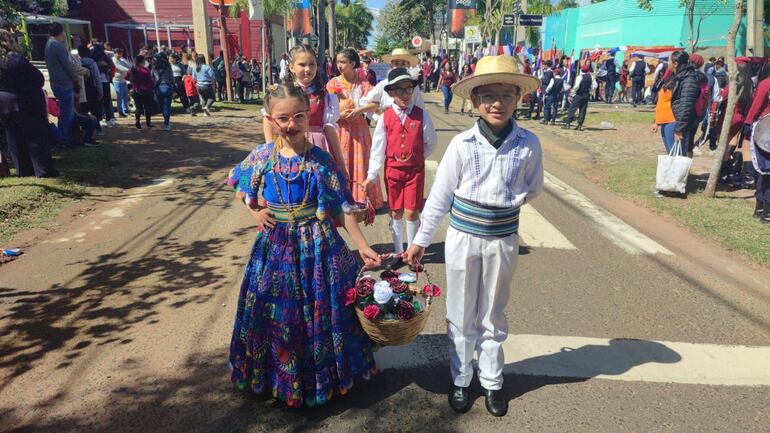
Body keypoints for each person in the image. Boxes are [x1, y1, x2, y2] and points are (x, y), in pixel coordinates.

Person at [404, 55, 543, 418]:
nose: (497, 103)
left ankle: (493, 380)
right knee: (461, 311)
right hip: (463, 237)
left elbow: (533, 188)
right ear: (475, 101)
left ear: (519, 99)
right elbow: (440, 196)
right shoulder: (463, 145)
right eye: (488, 95)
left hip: (502, 238)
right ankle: (462, 378)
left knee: (493, 311)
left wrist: (500, 209)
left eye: (506, 95)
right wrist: (420, 240)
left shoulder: (529, 144)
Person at [227, 82, 381, 408]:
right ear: (270, 119)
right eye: (282, 118)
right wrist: (255, 209)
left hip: (319, 250)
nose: (292, 125)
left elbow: (340, 208)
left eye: (299, 116)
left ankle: (323, 378)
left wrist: (362, 245)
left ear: (308, 114)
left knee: (323, 315)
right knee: (279, 316)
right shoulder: (262, 157)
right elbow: (241, 187)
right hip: (275, 249)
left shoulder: (322, 161)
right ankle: (276, 378)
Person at [363, 68, 436, 268]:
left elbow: (431, 142)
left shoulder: (422, 115)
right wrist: (371, 175)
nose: (404, 94)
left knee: (412, 213)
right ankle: (398, 252)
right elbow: (378, 149)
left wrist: (417, 158)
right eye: (399, 90)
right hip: (392, 172)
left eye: (408, 89)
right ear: (391, 93)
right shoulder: (385, 117)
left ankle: (413, 254)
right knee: (395, 212)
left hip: (414, 172)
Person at [326, 48, 383, 207]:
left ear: (352, 63)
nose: (339, 65)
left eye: (343, 62)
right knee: (341, 161)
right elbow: (327, 108)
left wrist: (359, 111)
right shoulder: (332, 84)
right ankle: (341, 200)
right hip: (340, 130)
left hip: (359, 129)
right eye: (338, 62)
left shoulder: (363, 83)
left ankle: (363, 198)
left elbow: (376, 102)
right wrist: (341, 115)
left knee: (361, 162)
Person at [0, 30, 59, 177]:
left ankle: (23, 171)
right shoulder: (16, 59)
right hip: (25, 102)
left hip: (4, 104)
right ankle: (43, 170)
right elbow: (38, 78)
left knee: (14, 138)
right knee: (36, 137)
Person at [359, 48, 425, 123]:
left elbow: (421, 109)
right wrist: (378, 118)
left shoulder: (414, 86)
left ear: (408, 65)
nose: (400, 67)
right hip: (387, 130)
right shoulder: (383, 84)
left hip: (409, 128)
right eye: (396, 64)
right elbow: (363, 103)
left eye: (403, 64)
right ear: (391, 65)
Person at [44, 23, 78, 148]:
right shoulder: (57, 46)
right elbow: (67, 65)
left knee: (64, 111)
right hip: (64, 82)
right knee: (66, 113)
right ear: (61, 32)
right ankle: (63, 139)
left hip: (55, 81)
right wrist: (74, 79)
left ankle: (62, 137)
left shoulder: (48, 44)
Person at [670, 51, 705, 157]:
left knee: (681, 153)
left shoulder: (689, 79)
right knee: (681, 151)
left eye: (669, 61)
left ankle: (682, 174)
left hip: (685, 123)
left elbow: (686, 105)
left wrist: (679, 129)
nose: (668, 64)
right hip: (683, 121)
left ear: (675, 63)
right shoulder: (682, 76)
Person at [563, 64, 597, 131]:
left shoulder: (580, 77)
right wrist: (590, 89)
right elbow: (595, 86)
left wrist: (572, 93)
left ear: (581, 70)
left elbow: (576, 86)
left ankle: (568, 124)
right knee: (582, 110)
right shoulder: (591, 77)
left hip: (579, 94)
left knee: (572, 108)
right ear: (588, 70)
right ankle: (580, 125)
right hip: (586, 95)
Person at [652, 66, 677, 154]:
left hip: (671, 120)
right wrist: (656, 122)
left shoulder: (676, 85)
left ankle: (675, 167)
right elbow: (660, 103)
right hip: (663, 121)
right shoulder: (665, 83)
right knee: (669, 150)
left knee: (672, 150)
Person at [91, 42, 116, 127]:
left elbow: (110, 65)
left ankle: (110, 118)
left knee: (107, 100)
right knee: (100, 100)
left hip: (105, 80)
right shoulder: (93, 56)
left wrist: (105, 66)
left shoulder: (105, 56)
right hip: (98, 81)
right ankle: (101, 118)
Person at [127, 55, 154, 129]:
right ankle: (148, 122)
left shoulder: (131, 70)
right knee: (147, 107)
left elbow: (126, 77)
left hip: (136, 90)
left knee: (138, 107)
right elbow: (150, 80)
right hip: (146, 90)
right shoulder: (145, 70)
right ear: (142, 61)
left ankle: (137, 120)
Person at [152, 53, 174, 131]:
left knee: (162, 106)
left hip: (158, 88)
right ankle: (167, 123)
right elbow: (171, 78)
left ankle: (166, 121)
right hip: (167, 87)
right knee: (167, 106)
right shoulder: (168, 67)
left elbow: (152, 78)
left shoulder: (154, 68)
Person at [112, 48, 131, 118]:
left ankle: (125, 110)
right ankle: (120, 112)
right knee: (119, 97)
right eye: (119, 53)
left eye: (121, 53)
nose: (120, 54)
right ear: (115, 53)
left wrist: (124, 59)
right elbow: (118, 67)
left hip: (124, 80)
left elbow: (129, 65)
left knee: (125, 97)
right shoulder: (113, 60)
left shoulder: (122, 60)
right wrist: (128, 70)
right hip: (117, 81)